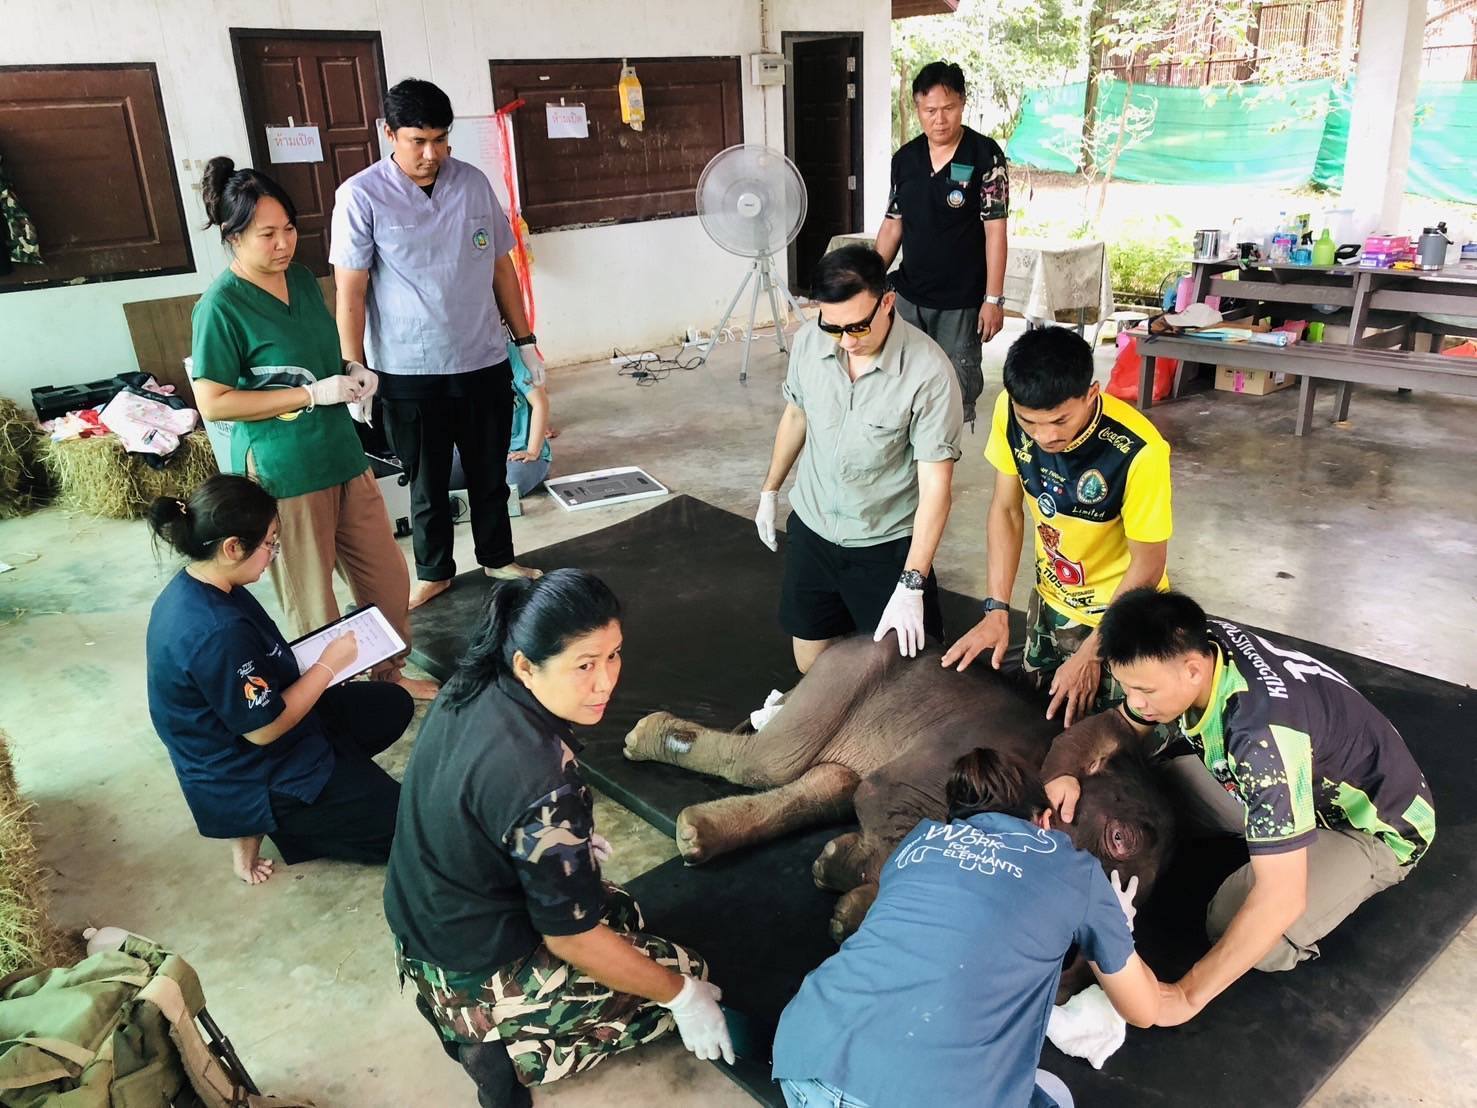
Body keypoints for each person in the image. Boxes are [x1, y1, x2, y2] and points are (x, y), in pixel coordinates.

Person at [384, 570, 732, 1107]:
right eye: (584, 665)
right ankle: (506, 1045)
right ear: (527, 665)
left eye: (613, 655)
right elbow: (570, 939)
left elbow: (474, 803)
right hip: (476, 963)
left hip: (424, 917)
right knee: (686, 975)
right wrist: (682, 997)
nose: (606, 681)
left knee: (624, 912)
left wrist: (550, 842)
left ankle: (482, 1016)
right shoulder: (542, 778)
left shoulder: (473, 681)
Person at [1047, 587, 1436, 1025]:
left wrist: (1187, 995)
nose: (1135, 701)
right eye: (1128, 687)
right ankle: (1273, 837)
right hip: (1295, 777)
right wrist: (1061, 770)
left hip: (1369, 824)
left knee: (1237, 920)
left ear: (1192, 670)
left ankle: (1325, 874)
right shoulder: (1195, 643)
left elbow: (1282, 896)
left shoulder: (1261, 744)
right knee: (1159, 791)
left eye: (1144, 690)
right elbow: (1122, 723)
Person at [771, 747, 1159, 1108]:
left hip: (805, 1060)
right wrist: (1121, 929)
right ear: (1044, 820)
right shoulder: (1076, 870)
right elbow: (1143, 1010)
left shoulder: (919, 840)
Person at [190, 159, 434, 700]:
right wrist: (309, 396)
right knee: (312, 600)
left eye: (289, 229)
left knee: (386, 577)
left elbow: (320, 356)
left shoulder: (300, 280)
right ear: (232, 236)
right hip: (285, 472)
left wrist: (351, 370)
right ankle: (325, 701)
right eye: (267, 234)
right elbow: (214, 400)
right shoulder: (220, 307)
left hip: (341, 455)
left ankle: (389, 673)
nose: (283, 244)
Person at [330, 78, 544, 610]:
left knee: (490, 469)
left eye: (441, 140)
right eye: (418, 141)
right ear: (389, 134)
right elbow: (350, 290)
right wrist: (353, 366)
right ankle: (433, 571)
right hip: (408, 368)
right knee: (425, 480)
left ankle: (497, 557)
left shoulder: (472, 184)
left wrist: (525, 342)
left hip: (482, 357)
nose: (431, 155)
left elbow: (501, 267)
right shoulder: (360, 195)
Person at [144, 475, 413, 885]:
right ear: (232, 547)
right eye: (270, 543)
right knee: (410, 833)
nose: (273, 554)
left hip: (276, 733)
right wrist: (328, 666)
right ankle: (282, 820)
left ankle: (336, 790)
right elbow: (264, 730)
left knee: (390, 705)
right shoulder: (216, 632)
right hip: (255, 768)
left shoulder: (204, 584)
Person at [942, 327, 1172, 727]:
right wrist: (996, 609)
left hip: (1121, 616)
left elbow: (1148, 565)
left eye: (1060, 420)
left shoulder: (1139, 452)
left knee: (1112, 738)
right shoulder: (1009, 411)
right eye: (1030, 422)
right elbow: (1006, 510)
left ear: (1092, 394)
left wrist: (1093, 651)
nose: (1045, 436)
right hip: (1051, 601)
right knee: (1037, 719)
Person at [755, 244, 963, 673]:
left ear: (887, 302)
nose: (848, 341)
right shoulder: (809, 343)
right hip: (813, 530)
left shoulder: (928, 373)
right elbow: (796, 415)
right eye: (833, 328)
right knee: (811, 662)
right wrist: (769, 491)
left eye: (858, 327)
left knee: (904, 677)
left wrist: (912, 582)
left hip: (883, 543)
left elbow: (936, 489)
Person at [875, 60, 1010, 425]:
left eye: (948, 108)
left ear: (962, 103)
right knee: (901, 386)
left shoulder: (985, 156)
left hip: (960, 302)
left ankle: (943, 458)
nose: (939, 119)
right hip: (909, 297)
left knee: (952, 394)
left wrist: (993, 299)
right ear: (917, 108)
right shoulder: (905, 159)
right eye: (930, 110)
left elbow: (995, 230)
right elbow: (893, 224)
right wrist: (869, 282)